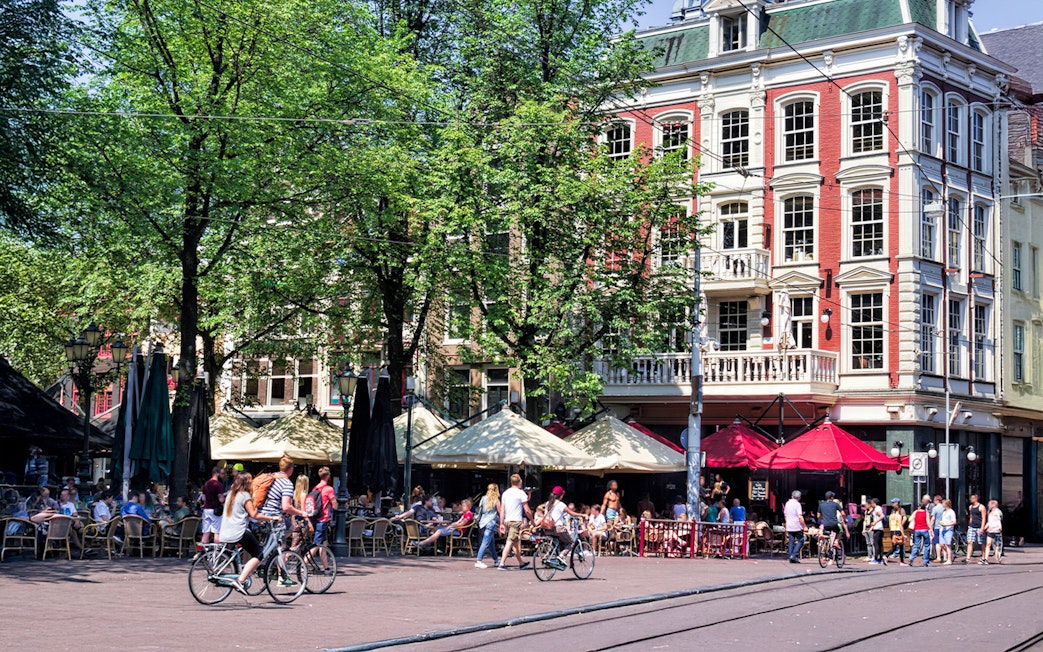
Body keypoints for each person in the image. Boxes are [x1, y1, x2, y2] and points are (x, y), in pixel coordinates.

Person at [219, 473, 281, 594]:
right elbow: (255, 515)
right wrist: (272, 518)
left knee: (247, 547)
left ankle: (240, 573)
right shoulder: (245, 495)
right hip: (238, 531)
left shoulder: (231, 494)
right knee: (259, 554)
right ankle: (241, 580)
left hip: (225, 531)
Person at [259, 457, 309, 527]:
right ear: (291, 469)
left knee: (290, 527)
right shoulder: (287, 483)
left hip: (259, 515)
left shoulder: (271, 476)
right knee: (287, 530)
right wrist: (301, 513)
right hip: (273, 518)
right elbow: (286, 507)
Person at [497, 474, 533, 570]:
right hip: (516, 521)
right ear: (519, 482)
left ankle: (521, 563)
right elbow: (527, 510)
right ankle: (502, 563)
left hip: (507, 520)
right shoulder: (520, 493)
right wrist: (532, 521)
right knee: (509, 541)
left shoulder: (505, 493)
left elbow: (502, 510)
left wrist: (501, 523)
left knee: (515, 543)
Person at [543, 486, 585, 564]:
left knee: (557, 542)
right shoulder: (561, 504)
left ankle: (547, 555)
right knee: (571, 542)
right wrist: (582, 515)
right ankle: (562, 556)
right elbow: (572, 513)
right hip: (557, 528)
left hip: (547, 529)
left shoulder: (548, 503)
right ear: (561, 495)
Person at [307, 467, 337, 572]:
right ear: (328, 476)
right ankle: (303, 564)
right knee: (317, 544)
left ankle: (326, 568)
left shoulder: (315, 488)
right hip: (322, 519)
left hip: (315, 518)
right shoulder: (329, 489)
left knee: (324, 544)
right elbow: (335, 506)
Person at [475, 484, 500, 569]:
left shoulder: (483, 498)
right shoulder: (496, 500)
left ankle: (496, 560)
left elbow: (479, 510)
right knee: (485, 542)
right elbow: (500, 512)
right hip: (491, 522)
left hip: (482, 522)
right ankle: (479, 560)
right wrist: (502, 523)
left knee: (491, 543)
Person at [200, 467, 225, 545]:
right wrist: (224, 497)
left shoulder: (206, 484)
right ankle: (216, 553)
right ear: (217, 473)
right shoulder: (218, 485)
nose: (223, 475)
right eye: (222, 473)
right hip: (215, 510)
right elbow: (221, 499)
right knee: (216, 533)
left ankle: (203, 552)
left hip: (206, 509)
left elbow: (203, 498)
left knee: (206, 532)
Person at [907, 498, 933, 566]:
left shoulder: (916, 512)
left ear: (919, 507)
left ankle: (911, 558)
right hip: (924, 529)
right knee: (927, 545)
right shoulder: (926, 513)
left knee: (916, 545)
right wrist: (931, 530)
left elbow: (909, 519)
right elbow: (928, 522)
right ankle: (925, 561)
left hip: (917, 530)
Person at [784, 490, 806, 564]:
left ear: (792, 496)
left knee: (791, 541)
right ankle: (794, 555)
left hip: (789, 525)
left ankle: (791, 557)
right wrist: (804, 526)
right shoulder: (797, 504)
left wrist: (788, 522)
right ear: (799, 498)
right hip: (797, 525)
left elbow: (785, 515)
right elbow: (800, 516)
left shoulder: (787, 503)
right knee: (801, 540)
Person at [964, 493, 987, 564]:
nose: (970, 500)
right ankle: (968, 557)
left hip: (979, 526)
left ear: (976, 498)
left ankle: (984, 556)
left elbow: (984, 518)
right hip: (972, 526)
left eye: (972, 498)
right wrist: (969, 524)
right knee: (970, 541)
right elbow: (971, 516)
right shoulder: (970, 507)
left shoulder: (981, 507)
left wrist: (982, 528)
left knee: (981, 542)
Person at [981, 499, 1003, 565]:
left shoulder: (997, 512)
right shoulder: (990, 512)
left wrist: (999, 527)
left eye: (989, 504)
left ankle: (998, 556)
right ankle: (986, 559)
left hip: (996, 530)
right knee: (988, 544)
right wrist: (984, 528)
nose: (988, 505)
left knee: (997, 545)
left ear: (993, 505)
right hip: (990, 530)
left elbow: (998, 521)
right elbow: (989, 521)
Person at [888, 499, 907, 565]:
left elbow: (904, 518)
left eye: (893, 502)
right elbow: (900, 524)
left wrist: (890, 530)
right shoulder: (898, 516)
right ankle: (887, 556)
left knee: (897, 546)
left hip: (893, 531)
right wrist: (903, 533)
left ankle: (901, 560)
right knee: (898, 546)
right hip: (898, 530)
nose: (892, 504)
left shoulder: (892, 515)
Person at [938, 498, 956, 565]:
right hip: (942, 529)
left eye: (943, 503)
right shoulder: (944, 512)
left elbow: (954, 522)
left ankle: (949, 560)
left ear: (946, 504)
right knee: (941, 544)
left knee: (948, 545)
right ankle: (951, 555)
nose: (942, 504)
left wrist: (946, 524)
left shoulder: (951, 512)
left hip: (948, 530)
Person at [868, 498, 886, 565]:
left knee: (876, 544)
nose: (871, 504)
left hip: (878, 528)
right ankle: (880, 558)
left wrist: (875, 522)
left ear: (874, 503)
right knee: (880, 544)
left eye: (872, 502)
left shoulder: (877, 508)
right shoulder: (877, 508)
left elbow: (882, 516)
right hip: (879, 528)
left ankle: (876, 559)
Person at [930, 495, 945, 560]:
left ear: (936, 500)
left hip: (937, 527)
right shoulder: (944, 507)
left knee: (937, 543)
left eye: (934, 500)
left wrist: (930, 527)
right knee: (944, 543)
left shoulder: (935, 508)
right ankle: (945, 557)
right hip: (944, 527)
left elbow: (933, 518)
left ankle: (938, 557)